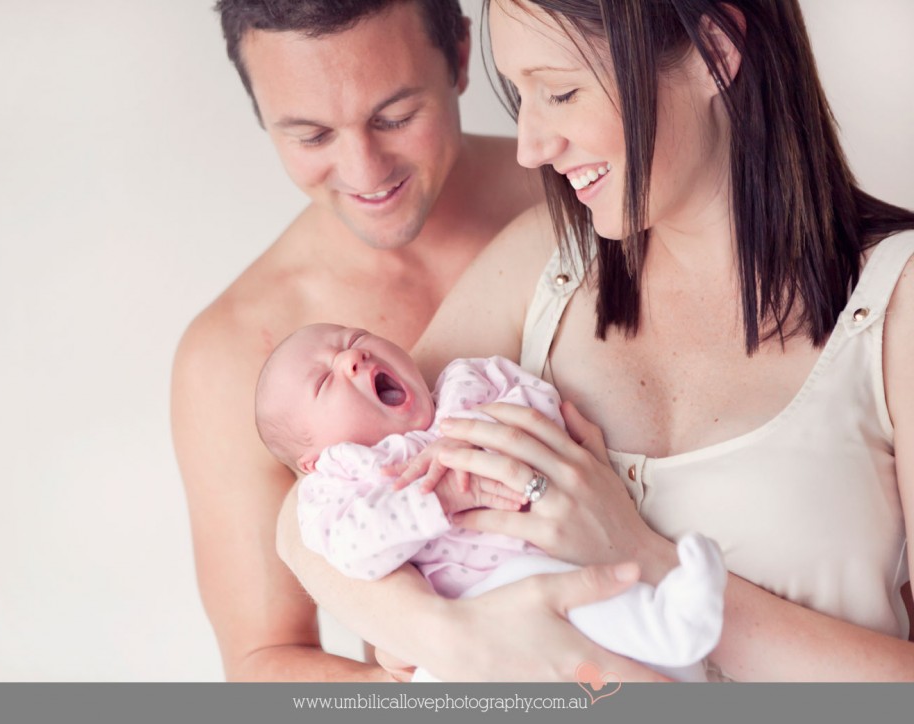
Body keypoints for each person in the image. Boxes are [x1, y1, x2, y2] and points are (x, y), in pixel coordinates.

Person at [278, 0, 914, 680]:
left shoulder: (897, 301)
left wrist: (642, 557)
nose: (529, 147)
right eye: (520, 96)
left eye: (559, 92)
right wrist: (445, 635)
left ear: (715, 50)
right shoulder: (544, 260)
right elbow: (305, 517)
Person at [170, 0, 547, 681]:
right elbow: (262, 663)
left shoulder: (585, 201)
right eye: (312, 136)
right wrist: (430, 681)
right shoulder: (231, 353)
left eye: (396, 117)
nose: (366, 171)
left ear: (461, 57)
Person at [256, 323, 727, 681]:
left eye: (355, 339)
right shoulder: (340, 479)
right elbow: (351, 546)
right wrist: (442, 495)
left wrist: (479, 441)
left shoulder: (467, 385)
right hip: (473, 604)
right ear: (313, 460)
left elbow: (540, 408)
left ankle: (674, 626)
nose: (351, 357)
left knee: (598, 596)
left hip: (552, 562)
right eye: (324, 382)